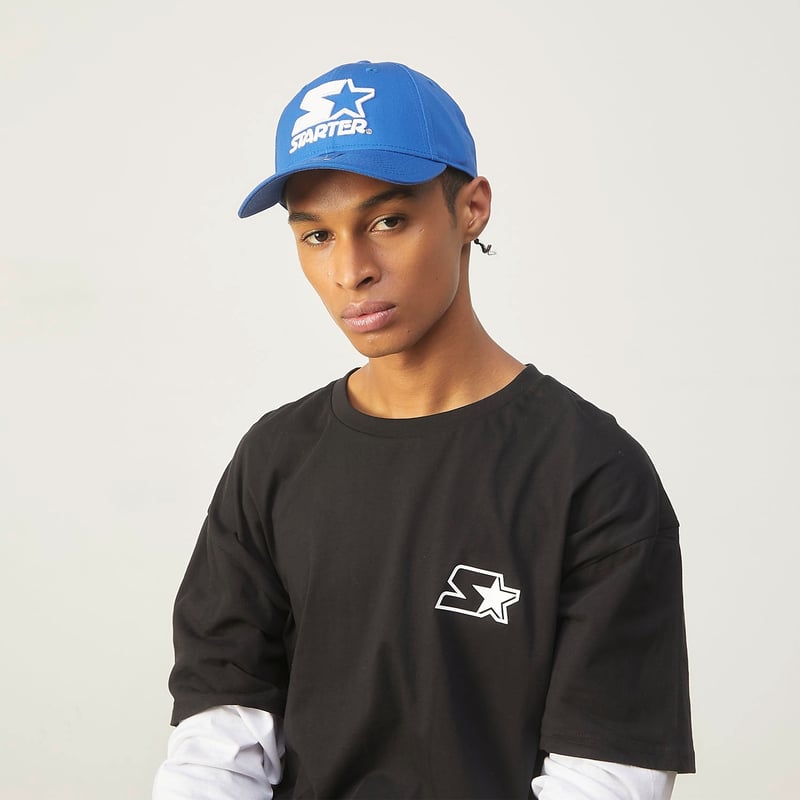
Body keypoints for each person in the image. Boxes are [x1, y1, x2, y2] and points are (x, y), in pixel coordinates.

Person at [153, 60, 694, 799]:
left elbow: (606, 775)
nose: (351, 270)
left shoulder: (592, 473)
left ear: (471, 209)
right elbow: (217, 749)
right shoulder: (274, 461)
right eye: (316, 235)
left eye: (387, 221)